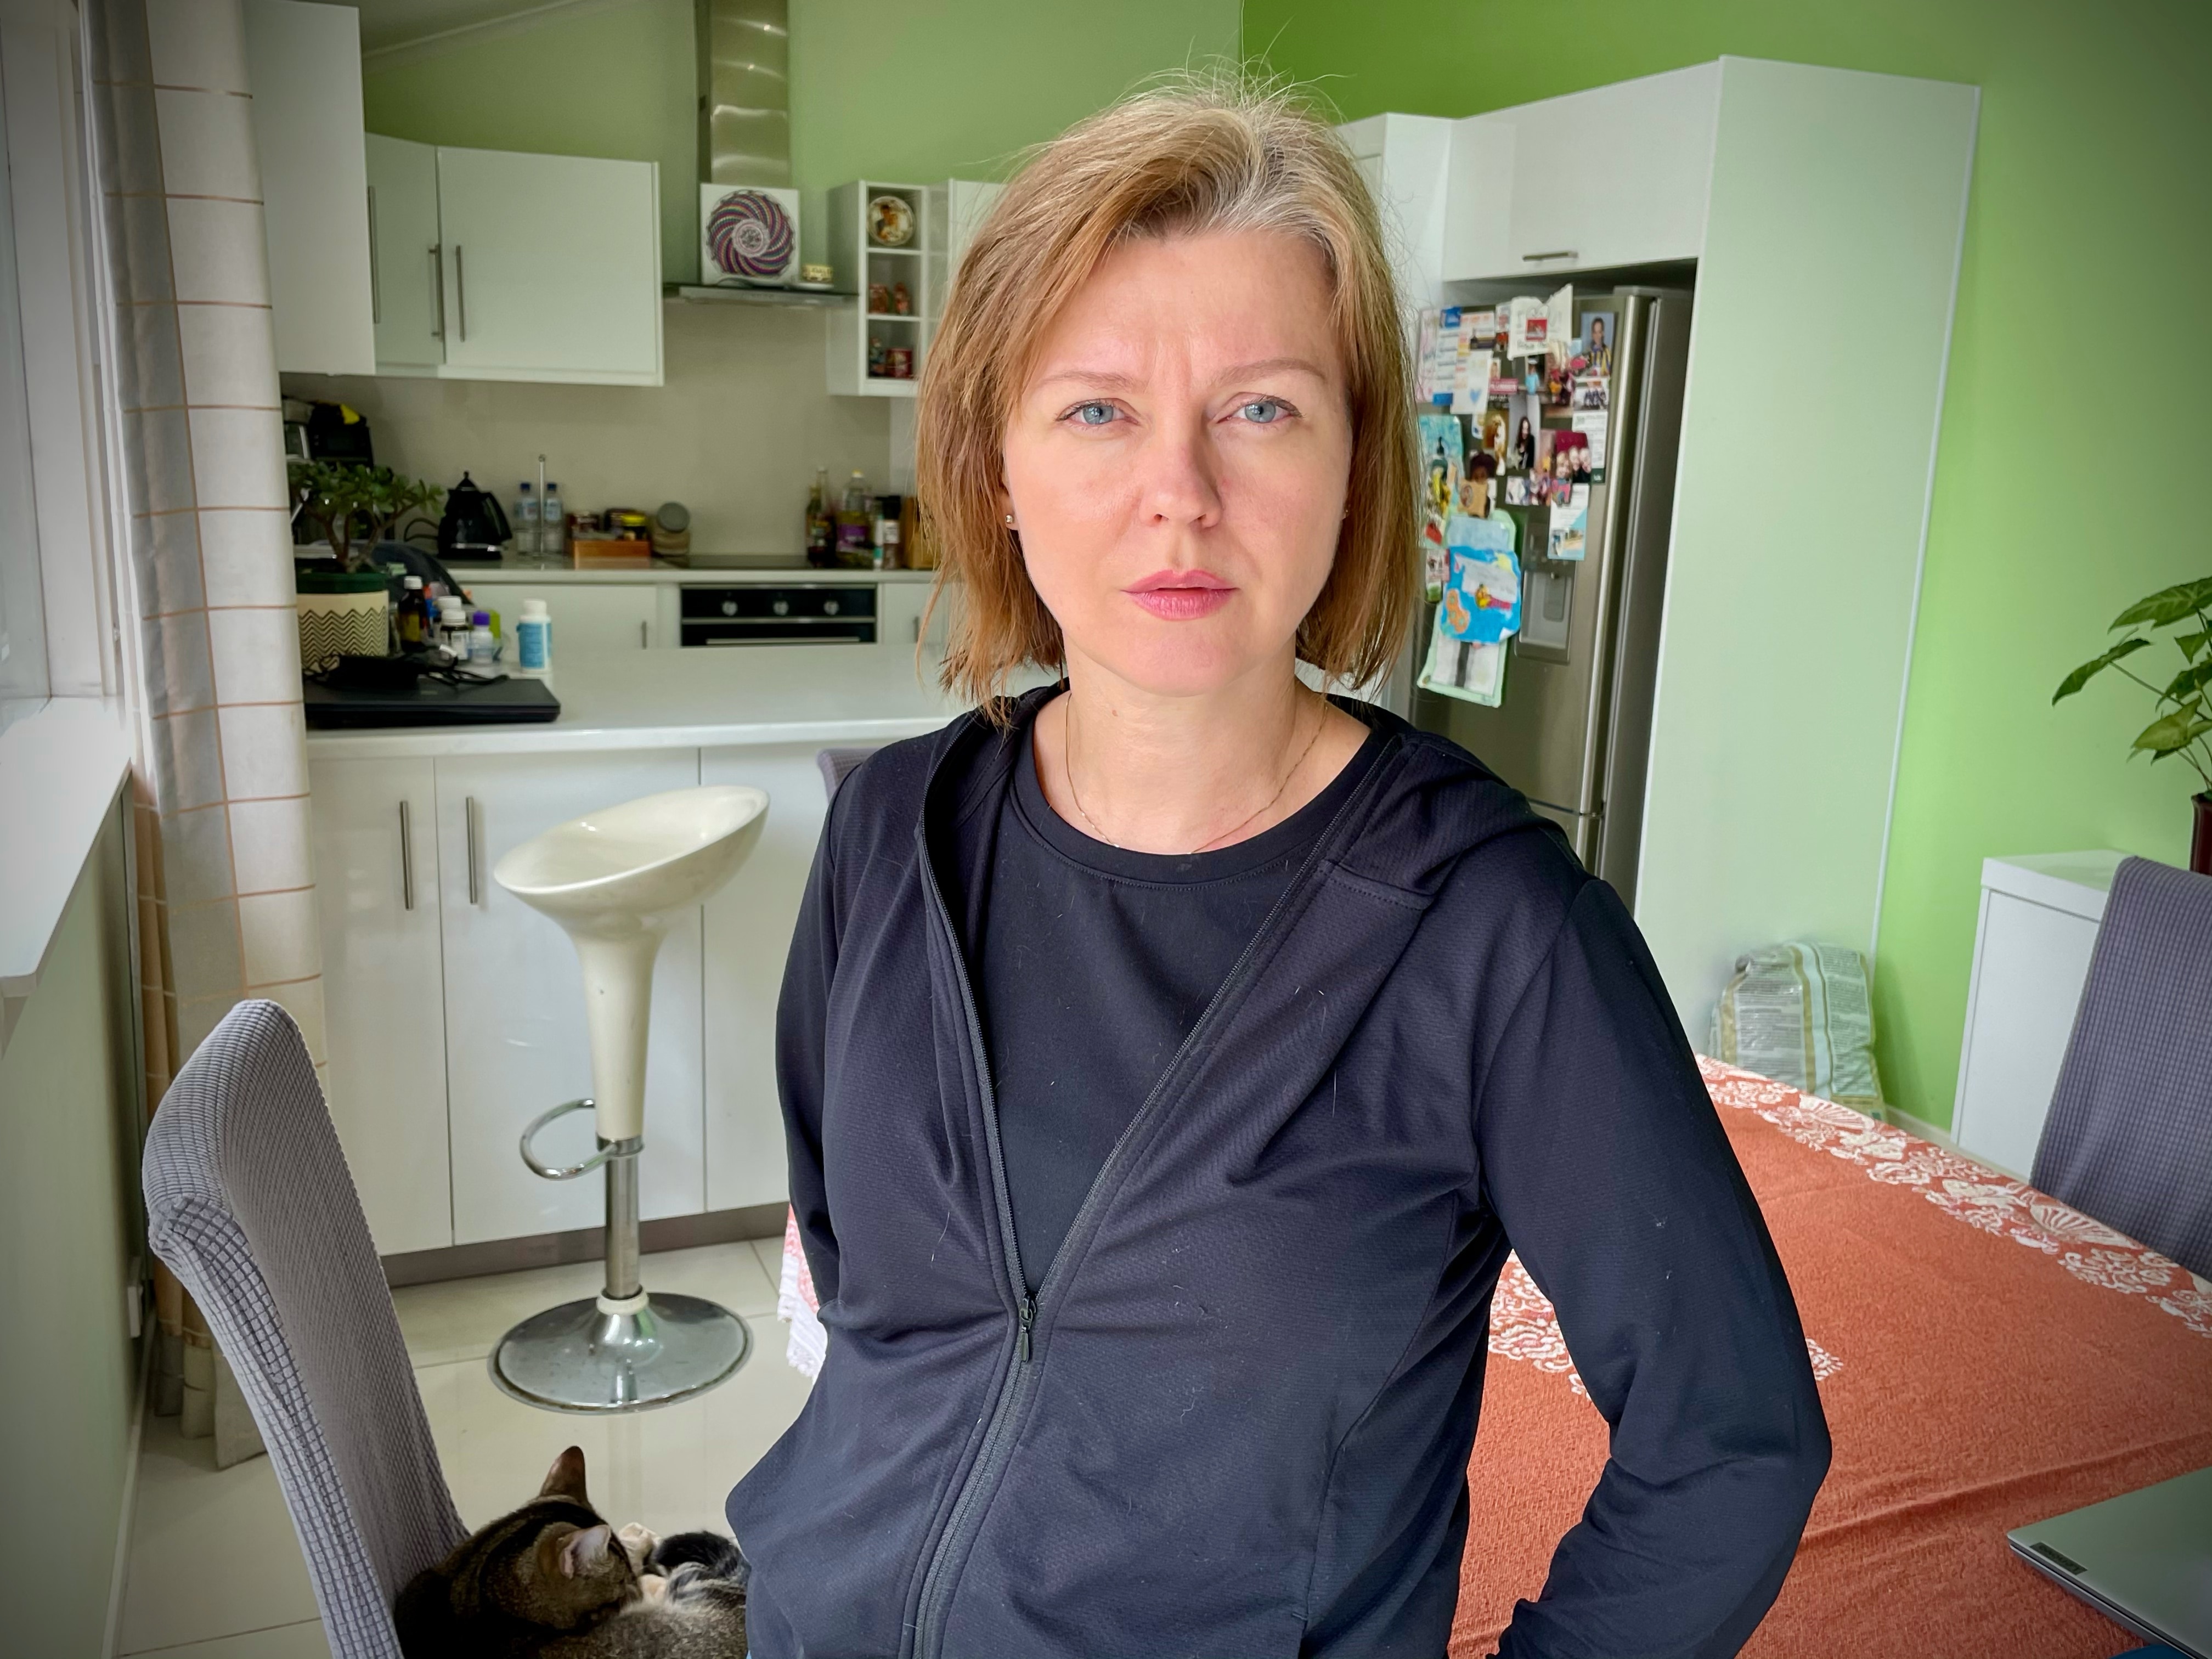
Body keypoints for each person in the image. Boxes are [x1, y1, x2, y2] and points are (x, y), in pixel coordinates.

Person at [726, 76, 1830, 1659]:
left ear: (1354, 469)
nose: (1181, 491)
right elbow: (868, 1294)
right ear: (995, 471)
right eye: (1097, 408)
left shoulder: (1496, 931)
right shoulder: (889, 837)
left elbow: (1732, 1446)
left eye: (1260, 408)